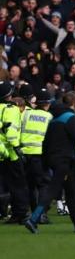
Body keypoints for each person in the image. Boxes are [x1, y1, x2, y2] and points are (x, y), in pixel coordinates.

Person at [25, 92, 75, 234]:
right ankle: (33, 219)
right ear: (74, 103)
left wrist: (45, 162)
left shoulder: (54, 119)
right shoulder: (71, 118)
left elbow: (46, 141)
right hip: (63, 159)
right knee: (53, 189)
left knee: (70, 193)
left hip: (54, 158)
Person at [19, 86, 52, 223]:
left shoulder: (25, 114)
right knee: (43, 185)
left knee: (29, 185)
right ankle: (41, 214)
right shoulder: (49, 117)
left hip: (24, 154)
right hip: (39, 155)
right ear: (47, 104)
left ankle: (31, 213)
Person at [0, 81, 29, 224]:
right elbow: (11, 134)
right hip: (11, 153)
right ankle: (21, 214)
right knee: (19, 185)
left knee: (5, 185)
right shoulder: (11, 110)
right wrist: (17, 149)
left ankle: (12, 214)